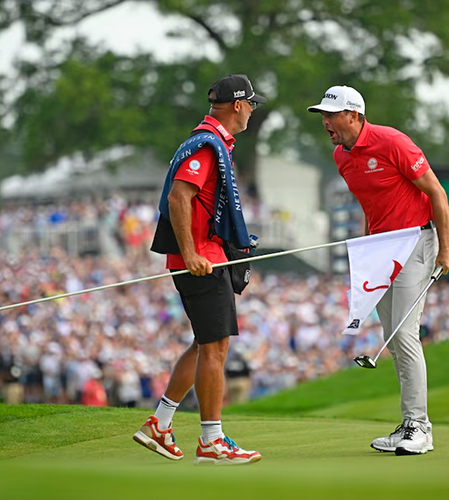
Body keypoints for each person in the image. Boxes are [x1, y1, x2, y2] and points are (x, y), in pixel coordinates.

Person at [307, 85, 449, 456]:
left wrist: (445, 247)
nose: (325, 122)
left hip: (416, 241)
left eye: (331, 115)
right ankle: (409, 425)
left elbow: (437, 192)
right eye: (323, 116)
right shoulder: (341, 157)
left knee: (404, 335)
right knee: (392, 335)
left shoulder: (392, 142)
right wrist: (366, 249)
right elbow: (371, 205)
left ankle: (419, 427)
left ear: (354, 115)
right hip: (380, 249)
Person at [133, 74, 265, 466]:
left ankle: (160, 424)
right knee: (215, 347)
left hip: (207, 257)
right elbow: (179, 197)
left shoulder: (212, 141)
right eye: (251, 104)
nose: (252, 111)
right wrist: (191, 253)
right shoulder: (207, 144)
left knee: (205, 343)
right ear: (238, 105)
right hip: (201, 262)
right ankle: (211, 440)